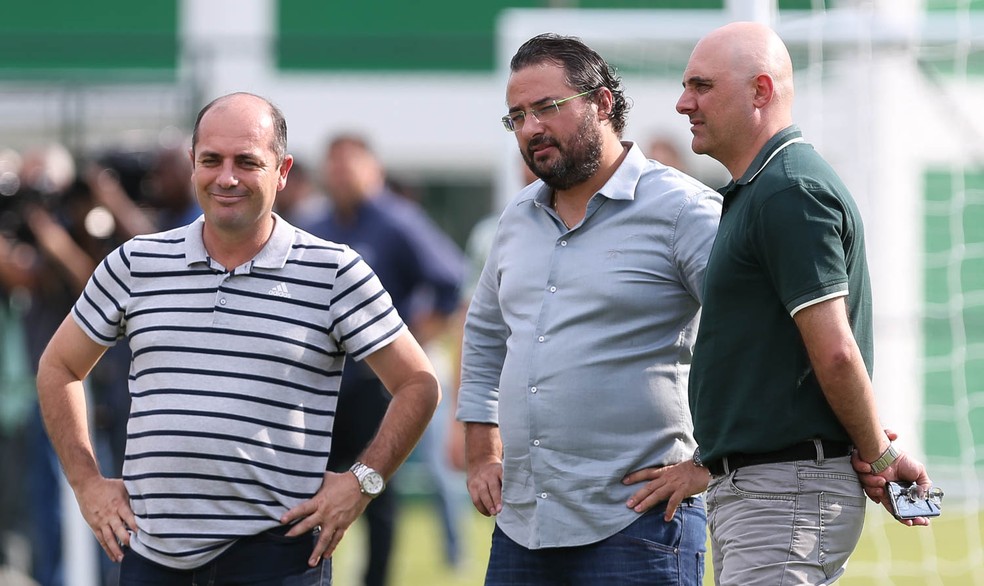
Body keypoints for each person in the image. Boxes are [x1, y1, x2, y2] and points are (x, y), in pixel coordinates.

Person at [35, 92, 440, 585]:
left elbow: (418, 383)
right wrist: (86, 483)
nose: (226, 177)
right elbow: (60, 368)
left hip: (278, 559)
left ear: (282, 170)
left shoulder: (334, 270)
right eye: (211, 160)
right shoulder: (135, 263)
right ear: (192, 165)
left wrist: (362, 481)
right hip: (152, 556)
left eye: (247, 162)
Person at [456, 33, 721, 585]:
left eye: (546, 108)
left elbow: (753, 334)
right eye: (517, 117)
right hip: (522, 525)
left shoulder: (683, 211)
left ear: (601, 103)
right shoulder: (514, 220)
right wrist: (481, 448)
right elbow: (484, 336)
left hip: (639, 525)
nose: (531, 128)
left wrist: (711, 461)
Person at [676, 22, 934, 586]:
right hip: (769, 493)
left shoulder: (788, 191)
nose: (682, 102)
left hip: (785, 494)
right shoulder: (764, 189)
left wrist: (880, 456)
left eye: (701, 86)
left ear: (760, 91)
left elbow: (836, 353)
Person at [306, 133, 465, 586]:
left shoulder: (398, 222)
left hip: (377, 388)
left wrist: (411, 342)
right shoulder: (315, 223)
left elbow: (450, 282)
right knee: (305, 489)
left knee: (376, 494)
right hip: (322, 388)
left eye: (348, 165)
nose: (338, 174)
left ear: (372, 169)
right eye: (332, 165)